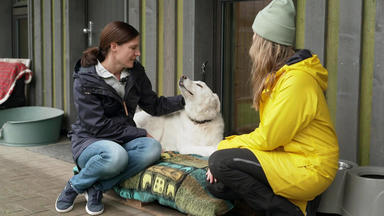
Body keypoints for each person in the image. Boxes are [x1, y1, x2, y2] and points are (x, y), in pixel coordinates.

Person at [206, 0, 339, 216]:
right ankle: (291, 206)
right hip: (290, 157)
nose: (250, 47)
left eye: (254, 38)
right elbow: (273, 137)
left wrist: (226, 145)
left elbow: (269, 138)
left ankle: (289, 211)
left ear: (265, 44)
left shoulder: (297, 81)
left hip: (310, 167)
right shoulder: (279, 77)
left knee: (220, 162)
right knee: (218, 184)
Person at [55, 21, 185, 215]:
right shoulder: (85, 80)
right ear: (114, 47)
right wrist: (140, 132)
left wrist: (187, 100)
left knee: (152, 148)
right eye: (133, 48)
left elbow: (153, 105)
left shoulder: (135, 73)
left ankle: (97, 187)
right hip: (89, 141)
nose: (138, 52)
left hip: (121, 139)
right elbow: (97, 126)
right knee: (116, 155)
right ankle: (74, 186)